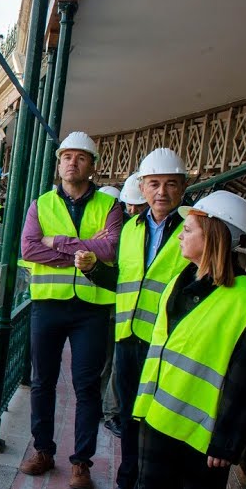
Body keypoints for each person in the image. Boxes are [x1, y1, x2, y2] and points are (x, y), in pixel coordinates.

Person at [107, 189, 246, 489]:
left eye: (189, 230)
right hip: (158, 420)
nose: (180, 235)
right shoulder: (179, 283)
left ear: (213, 236)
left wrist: (227, 442)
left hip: (203, 441)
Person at [75, 149, 191, 489]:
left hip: (168, 345)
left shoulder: (193, 227)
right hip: (128, 339)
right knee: (128, 419)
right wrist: (94, 270)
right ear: (142, 187)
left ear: (183, 187)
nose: (161, 192)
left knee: (157, 425)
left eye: (170, 184)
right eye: (154, 184)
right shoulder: (131, 230)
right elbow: (125, 282)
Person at [18, 131, 122, 489]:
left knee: (86, 387)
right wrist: (81, 254)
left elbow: (110, 249)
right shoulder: (41, 204)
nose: (72, 163)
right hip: (48, 304)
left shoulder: (109, 205)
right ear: (59, 163)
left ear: (92, 165)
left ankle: (81, 463)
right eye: (66, 157)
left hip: (91, 309)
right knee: (42, 382)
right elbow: (30, 249)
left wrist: (58, 242)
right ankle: (43, 451)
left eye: (80, 157)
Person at [96, 171, 149, 439]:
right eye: (128, 205)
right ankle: (109, 411)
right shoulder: (127, 230)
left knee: (114, 363)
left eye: (137, 206)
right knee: (109, 362)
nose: (131, 210)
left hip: (127, 309)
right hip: (115, 307)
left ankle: (109, 411)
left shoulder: (130, 230)